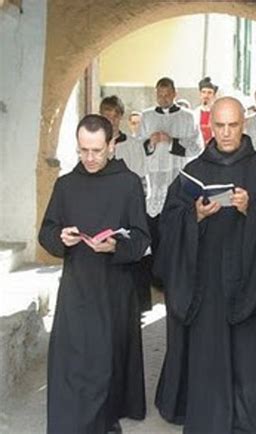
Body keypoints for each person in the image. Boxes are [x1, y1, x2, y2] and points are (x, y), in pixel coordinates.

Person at [155, 97, 256, 434]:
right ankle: (212, 416)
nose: (226, 133)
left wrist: (251, 210)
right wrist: (194, 215)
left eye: (233, 125)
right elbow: (168, 223)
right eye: (220, 126)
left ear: (244, 124)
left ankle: (251, 417)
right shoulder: (194, 172)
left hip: (252, 281)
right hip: (208, 282)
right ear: (210, 126)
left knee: (251, 355)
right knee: (210, 355)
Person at [38, 114, 151, 434]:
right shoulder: (65, 184)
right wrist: (61, 238)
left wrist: (116, 247)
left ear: (112, 145)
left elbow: (142, 238)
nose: (89, 158)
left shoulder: (128, 183)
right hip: (77, 284)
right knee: (72, 355)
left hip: (114, 286)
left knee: (106, 357)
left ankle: (104, 420)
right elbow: (46, 232)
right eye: (83, 151)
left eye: (96, 151)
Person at [140, 77, 203, 287]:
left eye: (167, 95)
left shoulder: (187, 116)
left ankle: (176, 274)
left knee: (176, 229)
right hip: (154, 180)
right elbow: (138, 146)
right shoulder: (147, 116)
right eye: (160, 95)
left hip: (177, 176)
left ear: (175, 93)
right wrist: (150, 142)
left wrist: (171, 141)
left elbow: (197, 147)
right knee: (155, 228)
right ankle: (156, 277)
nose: (164, 99)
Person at [100, 96, 151, 312]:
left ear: (120, 117)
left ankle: (134, 306)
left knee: (130, 260)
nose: (110, 121)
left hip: (126, 212)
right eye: (106, 116)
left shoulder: (133, 145)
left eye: (114, 116)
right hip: (101, 212)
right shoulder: (94, 145)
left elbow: (140, 180)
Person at [194, 76, 218, 145]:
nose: (206, 95)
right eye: (203, 92)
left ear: (214, 95)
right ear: (200, 95)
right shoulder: (195, 113)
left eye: (209, 93)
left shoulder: (218, 113)